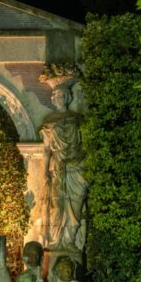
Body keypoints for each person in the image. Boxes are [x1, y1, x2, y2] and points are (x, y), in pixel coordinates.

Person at [40, 86, 87, 251]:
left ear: (67, 97)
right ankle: (56, 240)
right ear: (53, 99)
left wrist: (80, 161)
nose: (58, 98)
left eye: (61, 95)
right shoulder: (49, 121)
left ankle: (70, 240)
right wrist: (45, 172)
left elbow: (86, 145)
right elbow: (47, 150)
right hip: (58, 167)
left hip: (76, 166)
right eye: (55, 95)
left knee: (75, 205)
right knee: (57, 205)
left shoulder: (78, 119)